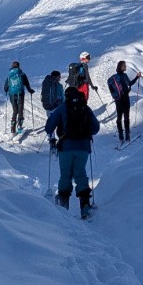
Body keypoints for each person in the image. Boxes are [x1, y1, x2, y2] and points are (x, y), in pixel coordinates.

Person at [45, 85, 100, 217]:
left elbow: (49, 127)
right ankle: (85, 207)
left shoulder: (62, 108)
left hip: (66, 147)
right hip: (83, 148)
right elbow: (95, 128)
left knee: (65, 174)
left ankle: (63, 209)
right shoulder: (85, 108)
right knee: (80, 173)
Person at [107, 60, 141, 144]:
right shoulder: (124, 75)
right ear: (122, 67)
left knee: (119, 117)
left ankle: (120, 136)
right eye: (124, 66)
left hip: (118, 99)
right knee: (126, 117)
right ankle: (127, 136)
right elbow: (130, 83)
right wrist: (137, 77)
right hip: (125, 98)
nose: (125, 67)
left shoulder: (114, 77)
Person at [2, 61, 33, 136]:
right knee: (20, 109)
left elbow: (5, 87)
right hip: (20, 94)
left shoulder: (9, 75)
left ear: (12, 67)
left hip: (12, 95)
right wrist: (30, 90)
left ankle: (13, 128)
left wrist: (7, 90)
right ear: (19, 67)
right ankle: (19, 126)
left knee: (15, 110)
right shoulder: (22, 74)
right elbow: (27, 84)